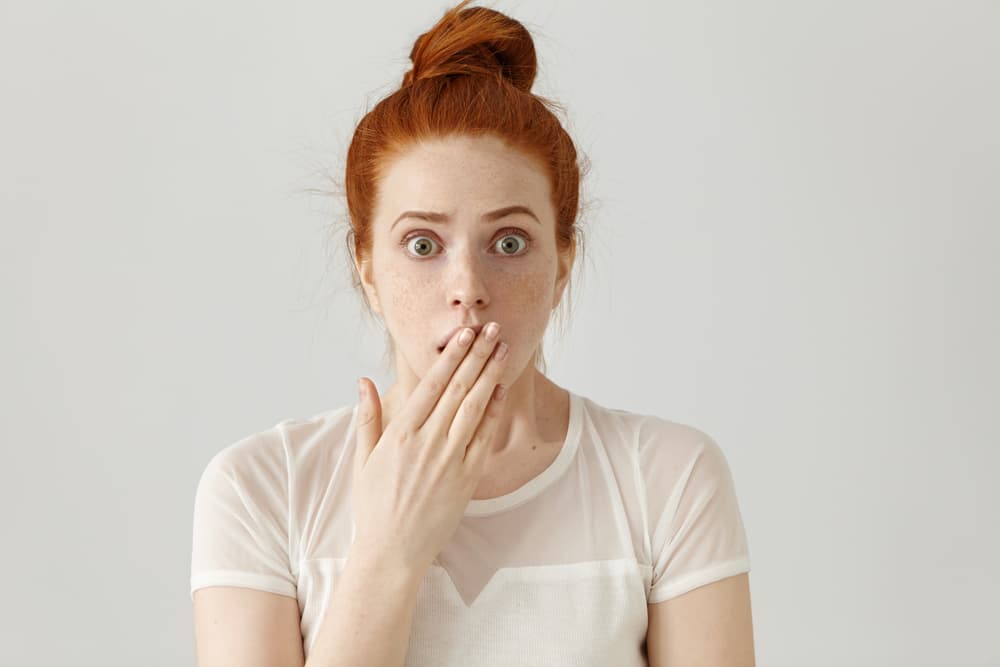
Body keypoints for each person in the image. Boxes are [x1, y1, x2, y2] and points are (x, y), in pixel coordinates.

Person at [190, 1, 756, 665]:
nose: (467, 286)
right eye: (423, 244)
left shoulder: (667, 478)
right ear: (366, 268)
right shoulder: (262, 488)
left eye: (509, 241)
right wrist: (387, 552)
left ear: (562, 265)